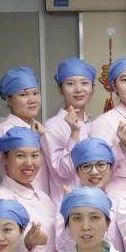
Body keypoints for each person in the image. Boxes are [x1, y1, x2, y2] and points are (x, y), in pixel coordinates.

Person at [0, 127, 56, 252]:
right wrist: (26, 244)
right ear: (4, 157)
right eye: (20, 155)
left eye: (34, 155)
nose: (29, 163)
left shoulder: (44, 199)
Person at [92, 56, 126, 202]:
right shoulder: (104, 122)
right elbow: (95, 170)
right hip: (115, 199)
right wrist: (121, 147)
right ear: (114, 86)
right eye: (124, 80)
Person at [55, 137, 125, 252]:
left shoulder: (119, 202)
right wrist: (70, 212)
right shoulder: (65, 203)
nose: (94, 172)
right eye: (86, 166)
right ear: (77, 172)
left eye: (101, 165)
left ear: (111, 168)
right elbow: (62, 248)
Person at [41, 58, 96, 201]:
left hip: (92, 203)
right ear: (60, 89)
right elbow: (63, 171)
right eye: (70, 83)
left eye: (84, 83)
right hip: (65, 204)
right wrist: (74, 133)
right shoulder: (52, 126)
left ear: (92, 89)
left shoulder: (92, 125)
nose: (78, 89)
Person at [0, 66, 49, 191]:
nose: (32, 100)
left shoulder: (37, 128)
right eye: (23, 94)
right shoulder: (5, 130)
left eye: (36, 93)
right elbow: (5, 176)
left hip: (40, 199)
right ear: (8, 99)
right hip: (18, 199)